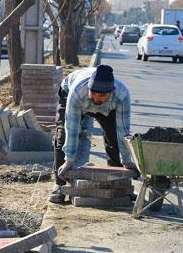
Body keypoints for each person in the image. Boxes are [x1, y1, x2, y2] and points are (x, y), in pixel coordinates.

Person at [50, 64, 135, 203]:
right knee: (62, 136)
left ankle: (118, 184)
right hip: (70, 93)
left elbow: (123, 130)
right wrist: (69, 161)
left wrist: (127, 160)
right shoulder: (77, 92)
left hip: (109, 108)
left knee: (114, 138)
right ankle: (60, 184)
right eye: (93, 93)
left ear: (111, 92)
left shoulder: (122, 95)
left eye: (101, 95)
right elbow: (72, 129)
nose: (96, 98)